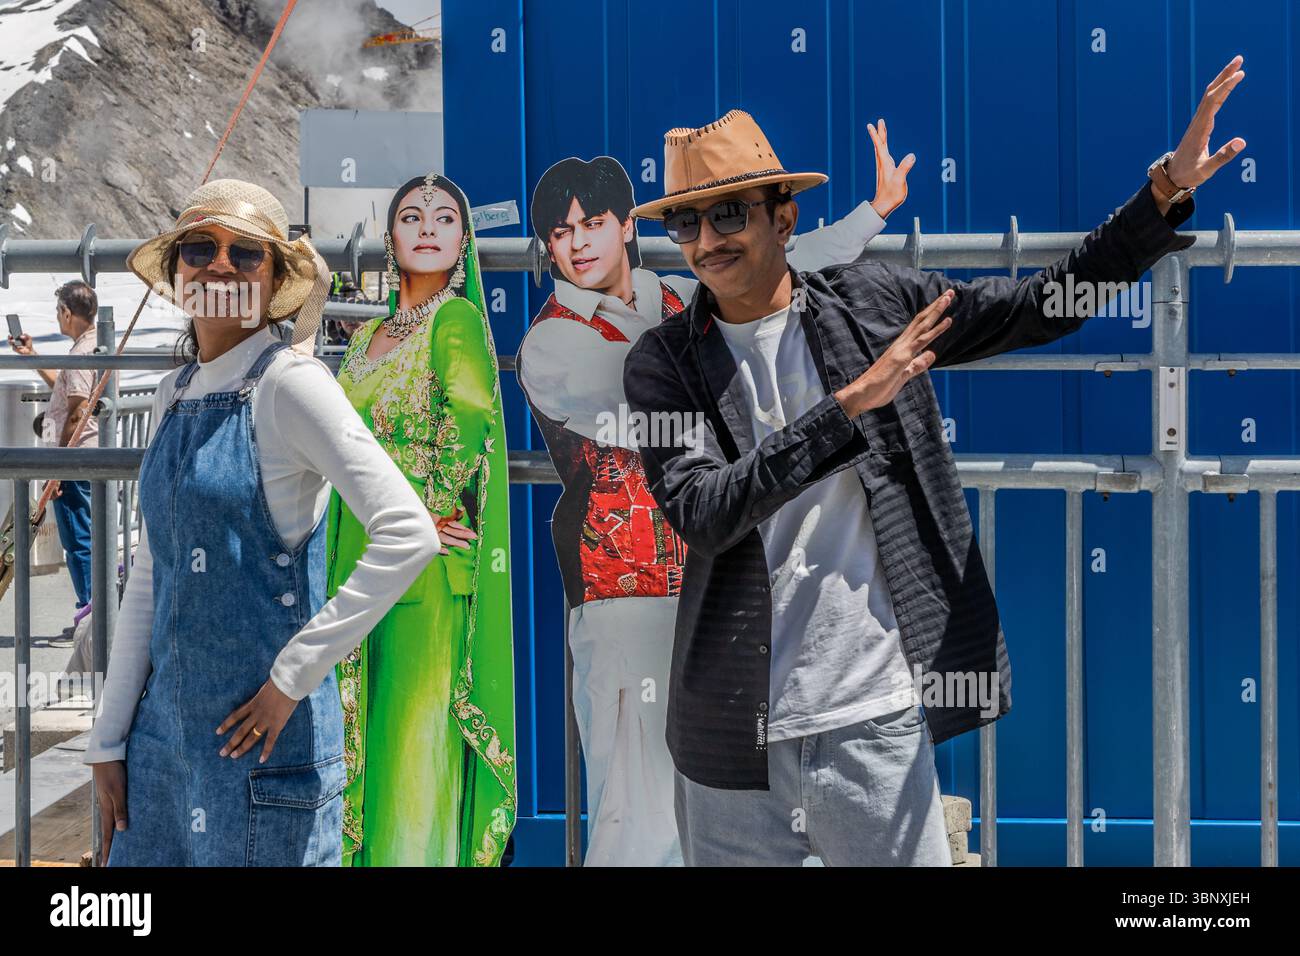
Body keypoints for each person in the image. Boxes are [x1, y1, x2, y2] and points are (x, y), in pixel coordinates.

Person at [623, 58, 1246, 866]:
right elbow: (703, 513)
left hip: (871, 722)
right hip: (728, 749)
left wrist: (1160, 196)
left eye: (729, 213)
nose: (706, 242)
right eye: (686, 224)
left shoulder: (874, 305)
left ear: (785, 216)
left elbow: (1035, 309)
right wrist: (851, 405)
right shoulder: (664, 363)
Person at [516, 122, 911, 866]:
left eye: (592, 223)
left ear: (627, 227)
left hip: (711, 593)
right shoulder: (552, 343)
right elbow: (653, 396)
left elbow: (782, 262)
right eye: (560, 233)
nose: (577, 244)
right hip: (624, 596)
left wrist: (873, 214)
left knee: (708, 809)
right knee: (633, 815)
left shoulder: (675, 294)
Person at [82, 179, 440, 866]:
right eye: (199, 247)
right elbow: (153, 575)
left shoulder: (290, 385)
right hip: (161, 753)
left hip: (266, 754)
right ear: (176, 271)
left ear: (275, 278)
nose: (219, 265)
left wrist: (290, 680)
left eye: (246, 253)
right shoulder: (171, 392)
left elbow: (407, 531)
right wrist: (110, 737)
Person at [329, 172, 516, 867]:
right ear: (391, 237)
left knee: (410, 741)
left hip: (422, 564)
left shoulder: (455, 320)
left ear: (463, 239)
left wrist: (428, 513)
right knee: (362, 732)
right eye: (412, 216)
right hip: (355, 550)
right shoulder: (365, 337)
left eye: (445, 217)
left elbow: (469, 423)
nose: (429, 227)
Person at [8, 280, 101, 616]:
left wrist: (59, 467)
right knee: (88, 536)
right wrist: (32, 356)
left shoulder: (80, 353)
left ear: (65, 311)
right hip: (88, 456)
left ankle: (88, 617)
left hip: (74, 460)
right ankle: (94, 613)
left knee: (78, 542)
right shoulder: (94, 346)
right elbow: (66, 390)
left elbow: (76, 412)